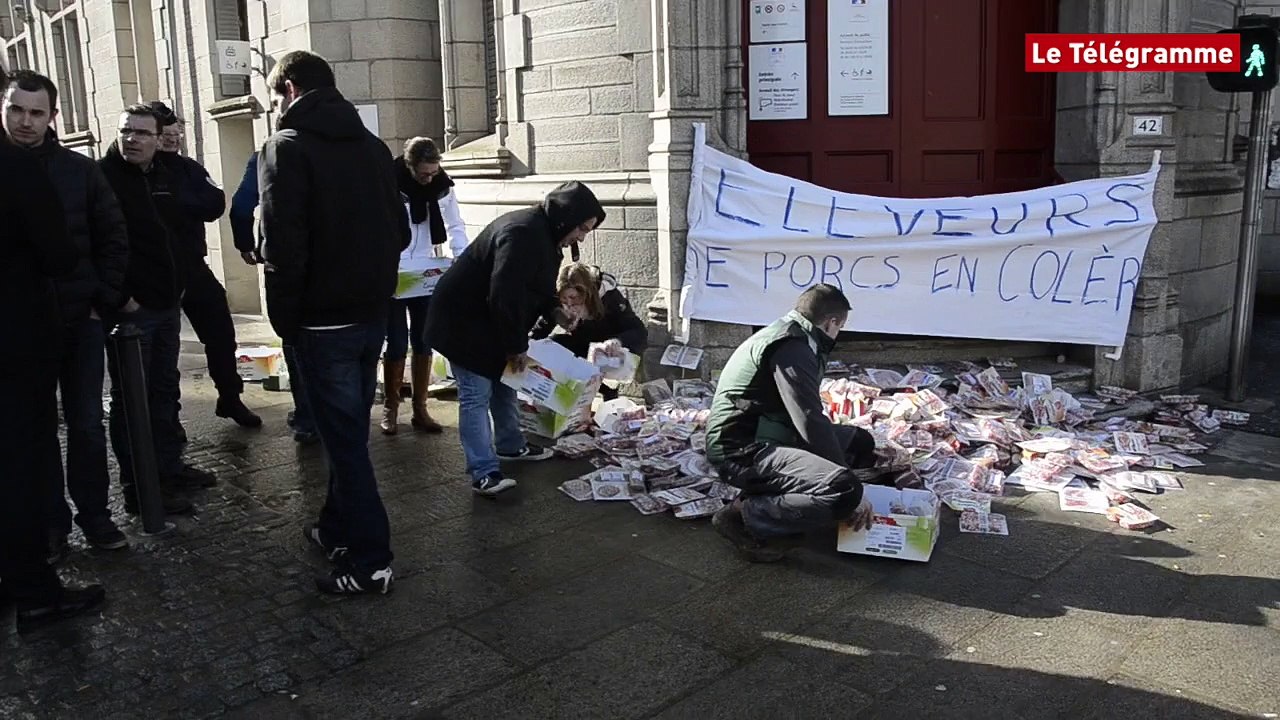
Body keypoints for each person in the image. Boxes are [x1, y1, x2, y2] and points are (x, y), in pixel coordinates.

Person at [259, 50, 409, 595]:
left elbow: (283, 245)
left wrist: (286, 320)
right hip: (371, 314)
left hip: (323, 323)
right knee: (344, 432)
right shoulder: (371, 147)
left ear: (291, 89)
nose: (275, 108)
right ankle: (335, 527)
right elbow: (400, 231)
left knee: (345, 443)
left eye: (276, 97)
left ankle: (371, 561)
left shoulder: (286, 148)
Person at [2, 71, 130, 557]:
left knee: (85, 424)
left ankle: (95, 516)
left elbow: (113, 236)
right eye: (17, 110)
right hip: (20, 327)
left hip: (80, 320)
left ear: (53, 116)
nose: (26, 122)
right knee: (33, 432)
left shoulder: (80, 171)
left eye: (37, 112)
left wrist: (101, 302)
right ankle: (51, 524)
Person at [426, 181, 605, 496]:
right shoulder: (523, 233)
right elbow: (505, 294)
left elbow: (535, 286)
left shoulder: (545, 235)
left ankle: (510, 445)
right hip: (464, 323)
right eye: (582, 228)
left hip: (489, 320)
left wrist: (555, 311)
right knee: (476, 394)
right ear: (567, 218)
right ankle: (483, 472)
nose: (582, 236)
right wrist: (515, 347)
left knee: (506, 382)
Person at [704, 284, 878, 562]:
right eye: (840, 327)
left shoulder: (795, 334)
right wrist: (852, 487)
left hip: (772, 431)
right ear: (831, 322)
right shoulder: (791, 345)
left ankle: (797, 497)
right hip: (742, 449)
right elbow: (808, 418)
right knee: (846, 489)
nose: (838, 333)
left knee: (860, 441)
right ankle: (742, 513)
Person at [100, 104, 216, 517]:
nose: (132, 139)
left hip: (168, 303)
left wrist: (179, 285)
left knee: (165, 391)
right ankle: (140, 489)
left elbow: (180, 230)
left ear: (157, 138)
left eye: (141, 133)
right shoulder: (103, 178)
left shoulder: (166, 175)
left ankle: (168, 469)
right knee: (133, 400)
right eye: (125, 131)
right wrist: (121, 297)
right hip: (132, 312)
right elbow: (99, 247)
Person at [150, 101, 262, 430]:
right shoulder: (142, 169)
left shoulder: (189, 169)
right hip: (156, 271)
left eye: (176, 132)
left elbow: (214, 201)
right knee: (163, 349)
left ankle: (230, 397)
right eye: (165, 134)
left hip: (192, 265)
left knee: (221, 331)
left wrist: (177, 203)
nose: (172, 139)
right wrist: (181, 205)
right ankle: (166, 422)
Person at [381, 136, 468, 435]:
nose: (429, 178)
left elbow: (455, 224)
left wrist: (462, 260)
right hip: (395, 268)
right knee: (394, 341)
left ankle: (420, 407)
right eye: (424, 173)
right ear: (409, 165)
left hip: (427, 269)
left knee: (424, 339)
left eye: (433, 172)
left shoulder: (441, 185)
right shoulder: (389, 181)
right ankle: (390, 407)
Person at [230, 150, 316, 444]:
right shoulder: (341, 151)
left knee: (293, 336)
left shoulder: (265, 157)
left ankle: (307, 418)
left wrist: (245, 244)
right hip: (332, 261)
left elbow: (241, 207)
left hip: (283, 260)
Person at [529, 262, 648, 400]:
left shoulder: (610, 298)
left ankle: (608, 393)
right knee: (552, 344)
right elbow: (539, 332)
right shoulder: (560, 306)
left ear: (586, 293)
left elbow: (638, 331)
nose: (570, 304)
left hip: (609, 350)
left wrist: (617, 341)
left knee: (604, 359)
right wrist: (526, 348)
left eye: (574, 298)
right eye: (564, 299)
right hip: (583, 347)